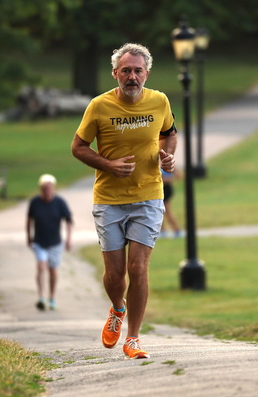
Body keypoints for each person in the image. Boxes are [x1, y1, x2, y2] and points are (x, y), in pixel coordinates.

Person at [71, 42, 177, 360]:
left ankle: (133, 339)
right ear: (115, 73)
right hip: (109, 199)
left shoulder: (159, 101)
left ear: (147, 73)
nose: (132, 77)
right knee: (115, 275)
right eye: (126, 71)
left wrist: (168, 155)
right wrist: (109, 165)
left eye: (138, 71)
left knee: (138, 268)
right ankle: (118, 308)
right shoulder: (99, 106)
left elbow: (170, 132)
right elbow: (78, 147)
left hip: (148, 196)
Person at [26, 173, 73, 311]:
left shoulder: (59, 203)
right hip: (39, 242)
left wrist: (69, 239)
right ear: (40, 189)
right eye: (44, 188)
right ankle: (41, 297)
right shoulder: (35, 202)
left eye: (49, 188)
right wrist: (28, 236)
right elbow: (29, 220)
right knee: (41, 266)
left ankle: (52, 297)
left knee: (53, 270)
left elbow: (69, 221)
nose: (47, 191)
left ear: (54, 188)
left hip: (55, 243)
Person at [160, 169, 183, 238]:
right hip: (159, 189)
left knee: (167, 211)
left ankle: (177, 230)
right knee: (159, 212)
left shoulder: (168, 163)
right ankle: (162, 230)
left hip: (166, 189)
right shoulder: (156, 163)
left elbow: (179, 176)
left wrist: (168, 179)